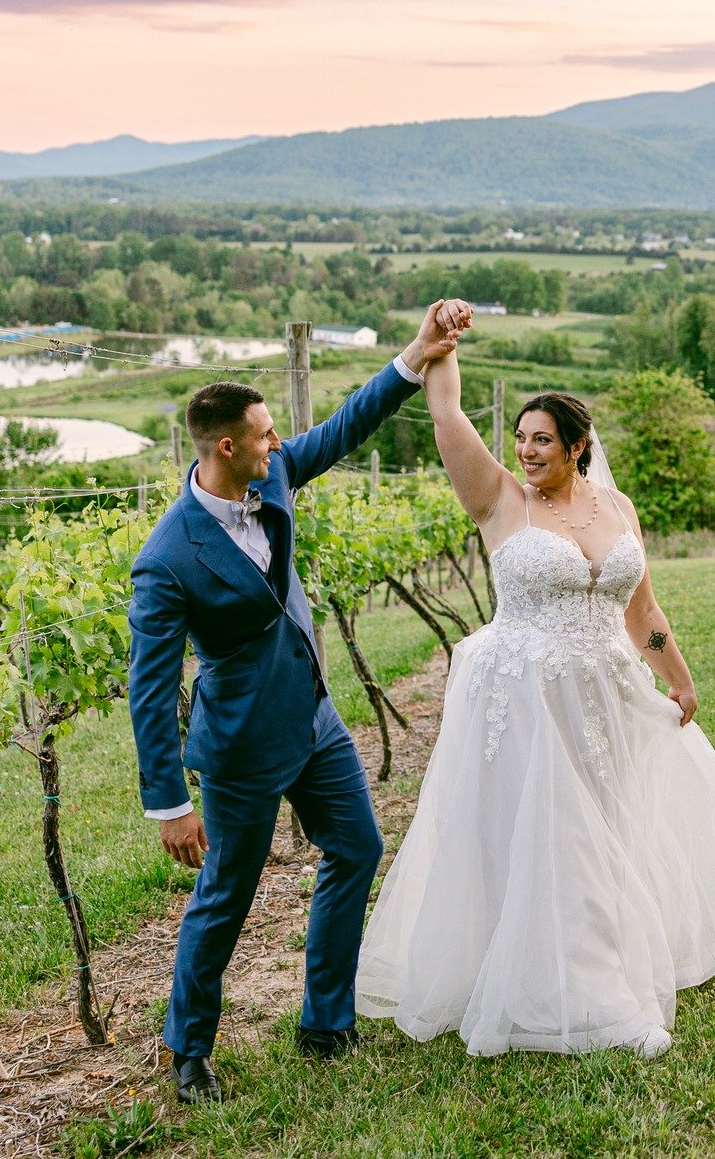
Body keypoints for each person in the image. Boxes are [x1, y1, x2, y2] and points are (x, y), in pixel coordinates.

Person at [355, 304, 715, 1058]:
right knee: (544, 837)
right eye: (521, 439)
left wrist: (679, 676)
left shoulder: (618, 507)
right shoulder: (499, 499)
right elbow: (447, 414)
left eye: (543, 440)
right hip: (523, 697)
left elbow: (641, 608)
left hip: (604, 694)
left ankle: (593, 960)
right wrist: (437, 342)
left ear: (578, 446)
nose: (527, 450)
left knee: (604, 834)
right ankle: (590, 1000)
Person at [126, 303, 471, 1104]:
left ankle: (324, 1021)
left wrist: (415, 356)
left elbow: (341, 429)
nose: (277, 441)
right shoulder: (168, 557)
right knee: (227, 895)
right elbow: (149, 686)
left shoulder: (272, 472)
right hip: (242, 746)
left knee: (358, 846)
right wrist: (169, 803)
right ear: (225, 446)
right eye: (264, 431)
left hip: (314, 718)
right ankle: (189, 1049)